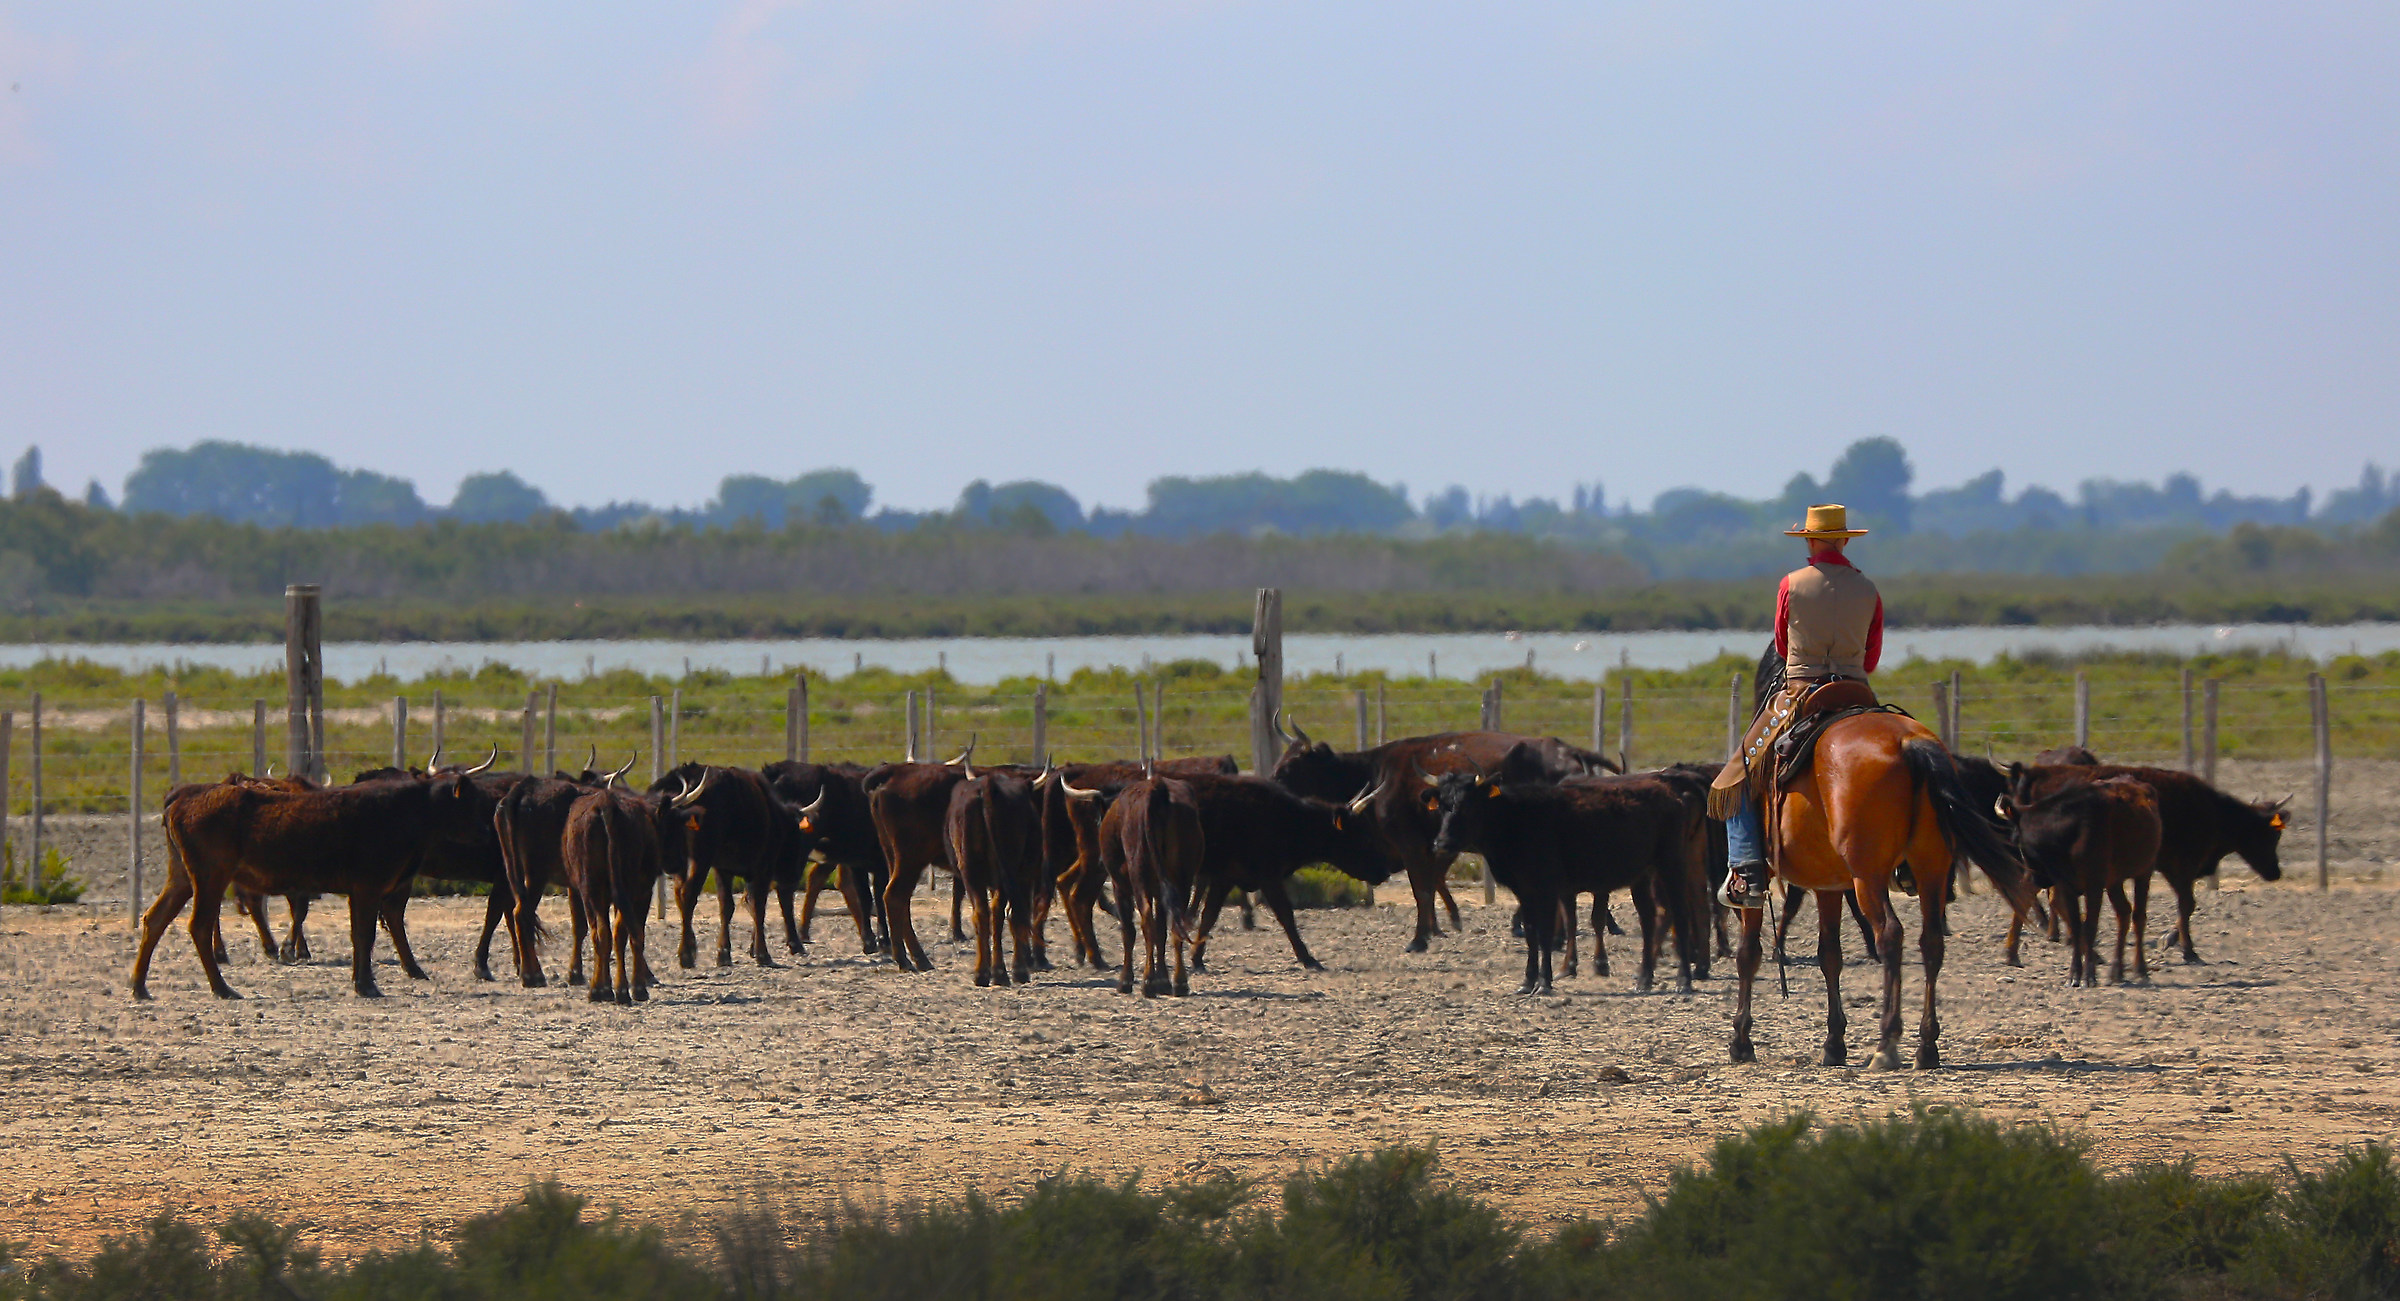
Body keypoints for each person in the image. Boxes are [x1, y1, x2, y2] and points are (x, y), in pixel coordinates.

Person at [1714, 503, 1884, 910]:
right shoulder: (1869, 589)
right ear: (1844, 540)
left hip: (1800, 693)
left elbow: (1781, 643)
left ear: (1808, 540)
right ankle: (1906, 861)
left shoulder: (1791, 584)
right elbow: (1872, 658)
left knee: (1735, 776)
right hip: (1857, 691)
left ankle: (1747, 870)